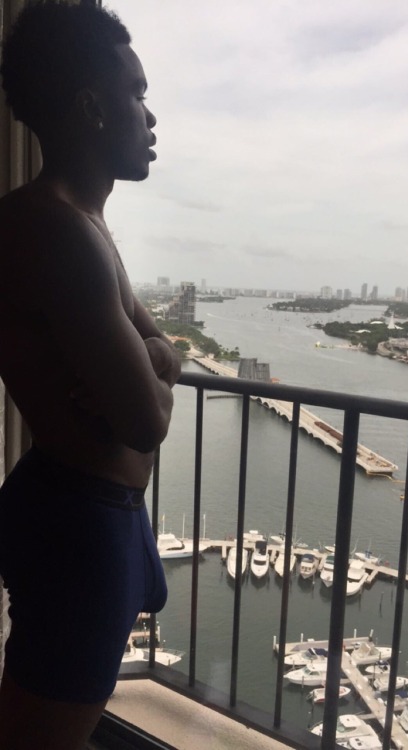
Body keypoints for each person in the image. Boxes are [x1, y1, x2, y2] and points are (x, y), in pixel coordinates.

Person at [0, 2, 181, 748]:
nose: (150, 116)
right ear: (92, 108)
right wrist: (152, 370)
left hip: (89, 509)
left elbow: (162, 349)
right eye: (136, 93)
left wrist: (152, 361)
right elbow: (147, 419)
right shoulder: (58, 232)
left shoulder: (82, 223)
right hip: (79, 525)